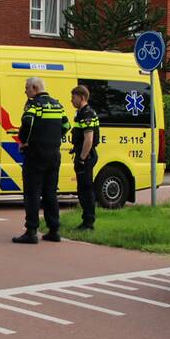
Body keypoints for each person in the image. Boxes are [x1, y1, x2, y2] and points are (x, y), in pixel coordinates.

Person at [14, 77, 69, 244]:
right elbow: (67, 126)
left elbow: (27, 123)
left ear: (35, 87)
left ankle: (31, 231)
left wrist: (24, 141)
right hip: (53, 155)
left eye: (27, 88)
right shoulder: (58, 105)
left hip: (35, 155)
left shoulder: (34, 105)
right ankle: (54, 230)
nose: (25, 91)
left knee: (32, 193)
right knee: (50, 193)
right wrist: (53, 139)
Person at [71, 84, 100, 231]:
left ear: (81, 97)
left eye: (74, 97)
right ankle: (86, 221)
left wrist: (81, 159)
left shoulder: (86, 114)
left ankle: (88, 223)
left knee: (86, 190)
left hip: (86, 156)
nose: (71, 100)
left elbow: (88, 140)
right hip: (84, 155)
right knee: (83, 189)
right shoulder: (82, 112)